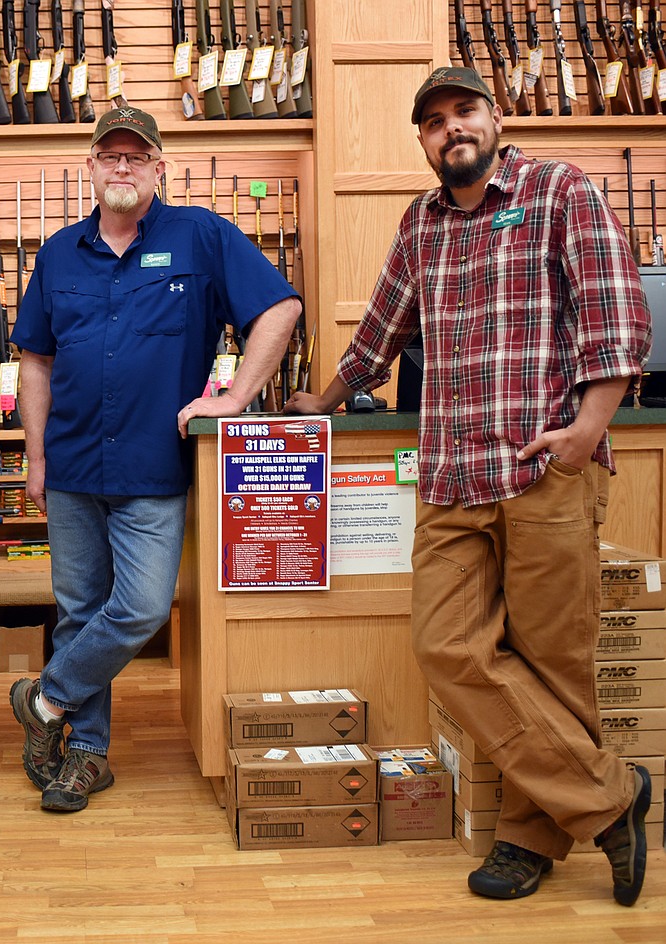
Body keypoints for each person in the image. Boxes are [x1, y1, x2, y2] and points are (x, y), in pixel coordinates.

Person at [286, 67, 652, 906]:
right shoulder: (422, 223)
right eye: (434, 121)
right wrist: (324, 400)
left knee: (554, 664)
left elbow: (617, 316)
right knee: (445, 646)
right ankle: (609, 794)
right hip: (452, 477)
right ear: (421, 139)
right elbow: (378, 330)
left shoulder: (559, 190)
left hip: (542, 472)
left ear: (495, 118)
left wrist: (585, 434)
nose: (452, 128)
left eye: (465, 111)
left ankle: (528, 841)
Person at [8, 107, 302, 813]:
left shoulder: (199, 235)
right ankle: (83, 754)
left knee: (137, 609)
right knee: (81, 614)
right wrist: (37, 458)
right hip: (73, 466)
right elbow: (36, 364)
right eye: (109, 156)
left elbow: (280, 309)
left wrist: (232, 399)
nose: (122, 167)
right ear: (90, 168)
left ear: (159, 167)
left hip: (153, 469)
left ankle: (43, 699)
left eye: (136, 157)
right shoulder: (58, 254)